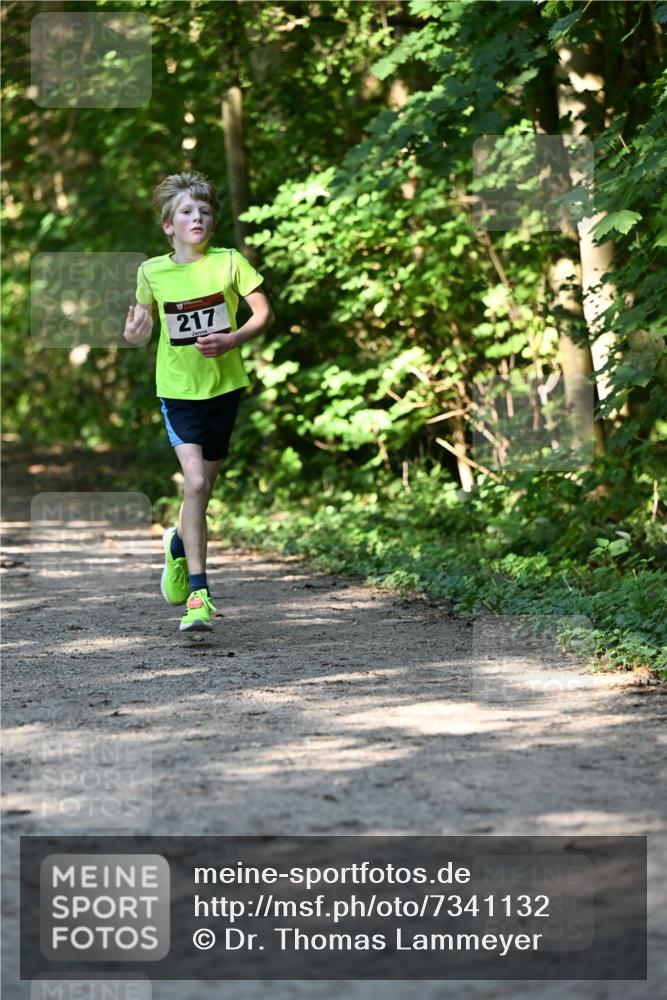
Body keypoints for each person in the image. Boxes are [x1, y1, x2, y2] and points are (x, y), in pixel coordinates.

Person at [123, 170, 274, 632]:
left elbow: (263, 312)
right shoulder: (152, 271)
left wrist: (232, 340)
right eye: (187, 211)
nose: (197, 218)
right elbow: (141, 322)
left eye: (205, 212)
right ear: (169, 225)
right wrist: (133, 333)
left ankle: (176, 545)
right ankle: (199, 596)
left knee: (200, 492)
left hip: (224, 389)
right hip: (177, 392)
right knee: (195, 482)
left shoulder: (229, 263)